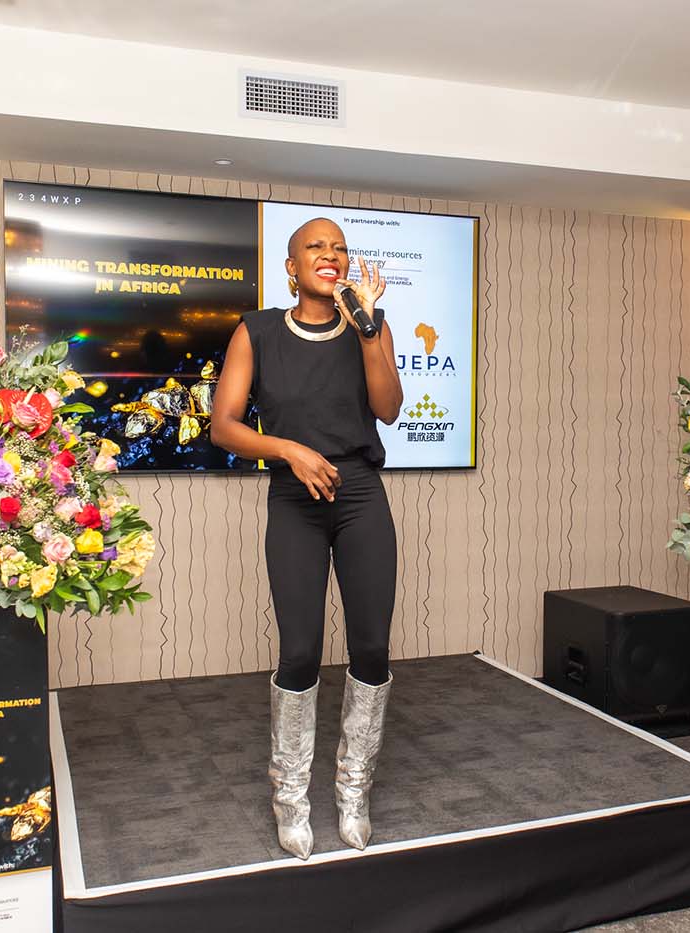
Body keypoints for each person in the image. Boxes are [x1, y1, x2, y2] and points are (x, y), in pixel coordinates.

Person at [211, 217, 403, 860]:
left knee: (371, 646)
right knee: (299, 651)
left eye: (340, 247)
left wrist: (368, 328)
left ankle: (353, 791)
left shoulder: (370, 326)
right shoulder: (258, 331)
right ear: (291, 268)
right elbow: (224, 426)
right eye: (315, 247)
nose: (331, 254)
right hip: (295, 496)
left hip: (359, 494)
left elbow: (388, 409)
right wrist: (289, 450)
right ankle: (291, 798)